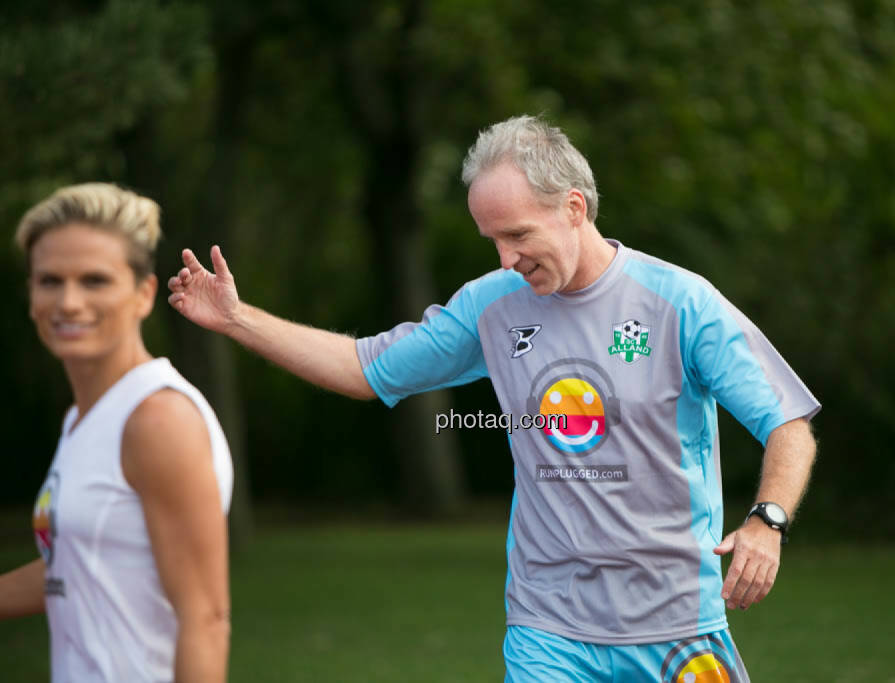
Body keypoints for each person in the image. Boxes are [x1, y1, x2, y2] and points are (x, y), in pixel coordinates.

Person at [167, 115, 819, 682]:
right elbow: (364, 366)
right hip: (550, 627)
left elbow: (787, 421)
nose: (506, 258)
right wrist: (237, 319)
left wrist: (768, 519)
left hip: (678, 618)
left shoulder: (680, 303)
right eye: (492, 240)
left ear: (573, 208)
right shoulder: (492, 305)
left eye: (518, 235)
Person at [0, 183, 234, 683]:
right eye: (49, 281)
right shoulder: (83, 419)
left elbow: (206, 621)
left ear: (143, 294)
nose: (68, 301)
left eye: (94, 281)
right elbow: (78, 569)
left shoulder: (157, 419)